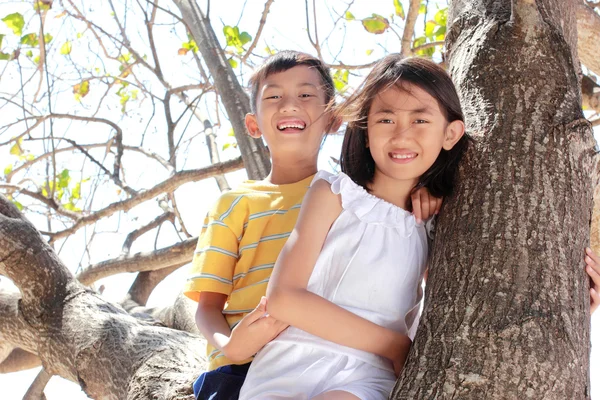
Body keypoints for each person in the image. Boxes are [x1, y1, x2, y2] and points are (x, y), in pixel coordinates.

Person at [238, 55, 600, 400]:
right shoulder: (334, 193)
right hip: (293, 360)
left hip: (367, 376)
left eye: (421, 120)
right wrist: (394, 344)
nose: (401, 134)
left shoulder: (436, 225)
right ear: (365, 132)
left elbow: (478, 307)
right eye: (385, 119)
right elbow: (285, 299)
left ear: (451, 134)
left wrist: (566, 302)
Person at [183, 51, 443, 400]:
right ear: (253, 124)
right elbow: (208, 306)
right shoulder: (236, 202)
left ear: (334, 118)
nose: (290, 105)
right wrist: (230, 346)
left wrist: (420, 191)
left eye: (306, 95)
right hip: (244, 365)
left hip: (345, 355)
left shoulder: (350, 197)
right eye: (274, 96)